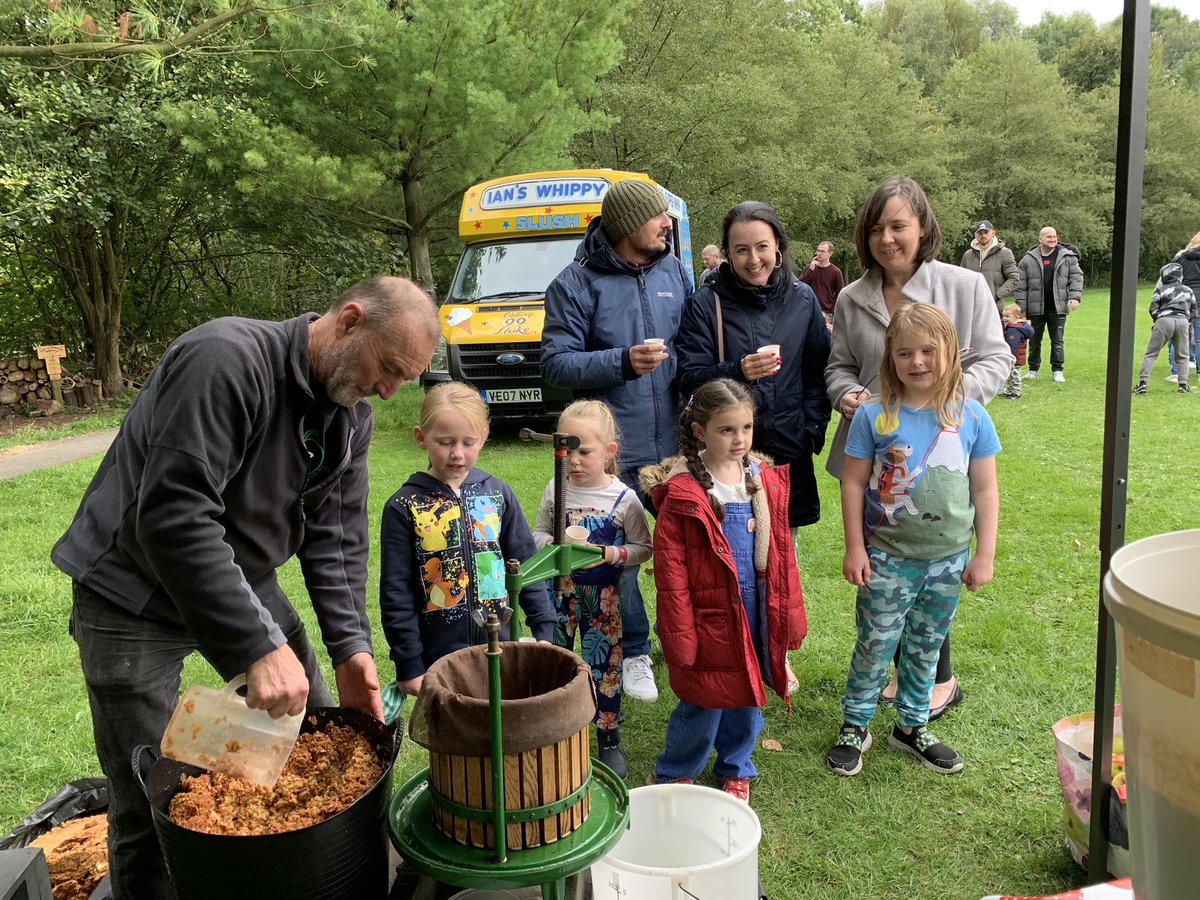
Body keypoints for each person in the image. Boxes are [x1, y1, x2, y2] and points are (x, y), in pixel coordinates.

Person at [51, 275, 439, 899]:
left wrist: (350, 650)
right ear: (348, 320)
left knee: (317, 731)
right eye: (388, 367)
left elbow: (336, 541)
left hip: (239, 573)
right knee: (151, 800)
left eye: (404, 379)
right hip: (130, 592)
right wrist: (256, 649)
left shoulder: (349, 418)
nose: (389, 391)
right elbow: (174, 518)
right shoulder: (226, 360)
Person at [825, 176, 1009, 722]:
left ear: (922, 228)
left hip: (944, 453)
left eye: (899, 225)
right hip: (871, 450)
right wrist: (847, 395)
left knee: (936, 549)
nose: (887, 238)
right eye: (877, 228)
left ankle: (934, 682)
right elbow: (837, 367)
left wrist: (942, 405)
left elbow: (996, 359)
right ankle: (891, 677)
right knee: (888, 563)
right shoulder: (851, 297)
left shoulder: (964, 285)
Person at [828, 303, 1000, 777]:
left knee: (927, 643)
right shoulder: (873, 417)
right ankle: (855, 724)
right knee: (876, 642)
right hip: (886, 556)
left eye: (929, 350)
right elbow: (854, 482)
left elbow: (985, 489)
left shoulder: (973, 416)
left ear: (950, 352)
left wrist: (983, 553)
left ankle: (912, 724)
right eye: (906, 353)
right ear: (891, 359)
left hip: (948, 560)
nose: (918, 361)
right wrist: (855, 547)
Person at [542, 177, 693, 704]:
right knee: (617, 557)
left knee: (687, 551)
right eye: (659, 217)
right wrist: (621, 361)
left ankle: (692, 645)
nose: (667, 225)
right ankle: (633, 652)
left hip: (674, 447)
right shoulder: (575, 283)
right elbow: (555, 367)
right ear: (631, 224)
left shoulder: (674, 269)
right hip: (611, 453)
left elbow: (691, 345)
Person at [640, 378, 806, 802]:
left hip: (755, 606)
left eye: (746, 428)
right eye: (726, 430)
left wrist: (785, 620)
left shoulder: (762, 480)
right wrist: (680, 634)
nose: (739, 439)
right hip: (706, 613)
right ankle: (678, 770)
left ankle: (736, 765)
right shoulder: (684, 493)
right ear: (700, 431)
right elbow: (671, 577)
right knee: (705, 694)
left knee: (747, 693)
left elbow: (781, 556)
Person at [378, 382, 556, 723]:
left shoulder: (498, 495)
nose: (457, 453)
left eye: (467, 442)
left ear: (484, 437)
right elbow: (396, 593)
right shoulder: (404, 507)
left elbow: (526, 567)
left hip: (502, 647)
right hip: (442, 657)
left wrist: (543, 630)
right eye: (445, 443)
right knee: (457, 742)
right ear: (421, 437)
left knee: (505, 731)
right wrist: (409, 664)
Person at [675, 201, 832, 530]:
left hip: (789, 455)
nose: (754, 259)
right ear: (728, 253)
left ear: (778, 245)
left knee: (783, 564)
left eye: (762, 246)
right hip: (725, 460)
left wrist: (811, 432)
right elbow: (688, 377)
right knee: (730, 563)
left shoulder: (803, 300)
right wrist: (738, 371)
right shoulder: (706, 303)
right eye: (741, 249)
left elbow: (819, 373)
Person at [532, 400, 652, 778]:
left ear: (609, 451)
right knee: (555, 660)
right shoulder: (557, 488)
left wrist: (610, 553)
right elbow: (535, 532)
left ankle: (608, 735)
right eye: (567, 450)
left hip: (604, 600)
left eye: (585, 451)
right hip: (558, 598)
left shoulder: (623, 498)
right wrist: (550, 545)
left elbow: (643, 548)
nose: (574, 460)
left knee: (606, 666)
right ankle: (554, 729)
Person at [1014, 226, 1084, 383]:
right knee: (1034, 340)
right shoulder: (1027, 260)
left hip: (1057, 307)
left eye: (1054, 237)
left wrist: (1075, 297)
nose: (1052, 240)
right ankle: (1033, 370)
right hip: (1035, 308)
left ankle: (1057, 370)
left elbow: (1076, 277)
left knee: (1057, 340)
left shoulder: (1067, 257)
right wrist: (1022, 309)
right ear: (1040, 239)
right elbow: (1020, 286)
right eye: (1049, 237)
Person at [1133, 262, 1196, 395]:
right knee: (1183, 356)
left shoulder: (1161, 290)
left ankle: (1142, 384)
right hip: (1182, 321)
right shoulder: (1188, 290)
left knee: (1151, 353)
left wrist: (1158, 320)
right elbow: (1193, 311)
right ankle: (1183, 385)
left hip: (1164, 321)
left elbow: (1153, 308)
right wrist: (1187, 322)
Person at [959, 221, 1018, 315]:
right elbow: (960, 279)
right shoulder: (968, 255)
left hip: (994, 308)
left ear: (993, 232)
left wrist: (997, 295)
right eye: (980, 233)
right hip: (971, 308)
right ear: (975, 234)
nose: (983, 235)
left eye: (986, 232)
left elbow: (1014, 278)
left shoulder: (1004, 253)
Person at [1166, 232, 1200, 383]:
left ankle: (1176, 372)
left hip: (1183, 300)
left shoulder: (1181, 258)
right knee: (1199, 338)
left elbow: (1171, 277)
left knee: (1178, 336)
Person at [799, 239, 846, 327]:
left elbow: (840, 295)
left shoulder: (836, 272)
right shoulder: (810, 268)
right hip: (809, 311)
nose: (819, 253)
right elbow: (799, 286)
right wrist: (810, 270)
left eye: (822, 251)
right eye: (818, 251)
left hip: (828, 314)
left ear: (830, 254)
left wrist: (833, 311)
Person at [1001, 304, 1035, 399]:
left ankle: (1016, 392)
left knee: (1014, 376)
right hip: (1016, 357)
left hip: (1014, 358)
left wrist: (1008, 357)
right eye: (1003, 316)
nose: (1004, 318)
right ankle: (1009, 391)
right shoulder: (1019, 327)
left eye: (1007, 316)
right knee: (1010, 375)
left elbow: (1012, 345)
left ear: (1016, 317)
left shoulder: (1013, 330)